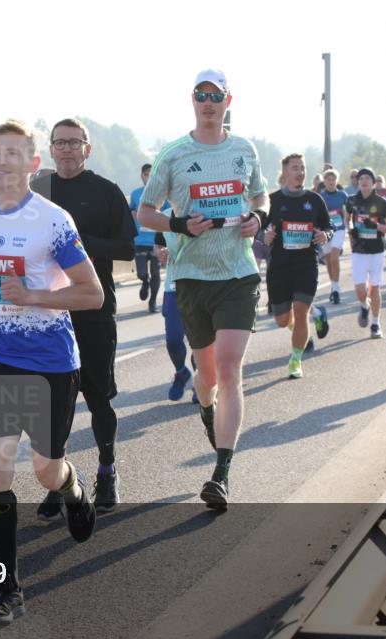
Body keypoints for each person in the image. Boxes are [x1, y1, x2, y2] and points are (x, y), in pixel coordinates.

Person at [0, 119, 102, 622]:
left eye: (14, 153)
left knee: (45, 469)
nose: (2, 161)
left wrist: (33, 295)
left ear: (33, 164)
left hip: (51, 360)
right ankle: (9, 585)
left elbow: (91, 292)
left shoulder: (53, 220)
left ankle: (72, 487)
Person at [137, 68, 267, 510]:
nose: (208, 102)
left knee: (230, 369)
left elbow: (260, 196)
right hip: (191, 277)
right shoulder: (174, 154)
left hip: (238, 272)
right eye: (201, 95)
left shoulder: (243, 149)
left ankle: (221, 473)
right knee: (206, 377)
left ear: (229, 100)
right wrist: (177, 225)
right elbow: (145, 212)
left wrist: (259, 218)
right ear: (192, 100)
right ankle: (207, 410)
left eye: (216, 95)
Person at [31, 118, 136, 513]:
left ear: (87, 149)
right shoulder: (38, 191)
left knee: (97, 398)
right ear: (52, 149)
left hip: (94, 309)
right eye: (60, 143)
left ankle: (107, 470)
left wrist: (77, 244)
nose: (67, 149)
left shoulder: (106, 191)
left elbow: (127, 247)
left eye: (74, 143)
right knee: (52, 405)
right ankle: (56, 481)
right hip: (48, 312)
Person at [262, 154, 332, 379]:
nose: (300, 172)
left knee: (300, 313)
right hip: (280, 265)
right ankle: (317, 315)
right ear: (285, 173)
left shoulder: (315, 200)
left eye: (302, 168)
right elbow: (259, 230)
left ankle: (295, 360)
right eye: (295, 168)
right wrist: (266, 236)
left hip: (306, 263)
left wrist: (325, 235)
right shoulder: (272, 201)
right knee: (283, 320)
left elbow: (329, 228)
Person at [346, 168, 386, 339]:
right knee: (360, 290)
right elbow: (347, 221)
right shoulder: (351, 201)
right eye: (361, 178)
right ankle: (364, 305)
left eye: (368, 178)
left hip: (376, 251)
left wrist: (376, 226)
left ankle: (375, 324)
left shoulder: (381, 202)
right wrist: (351, 230)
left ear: (373, 183)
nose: (364, 181)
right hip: (359, 250)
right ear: (357, 182)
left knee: (374, 288)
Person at [155, 231, 197, 401]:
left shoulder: (203, 207)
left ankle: (201, 382)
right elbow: (158, 244)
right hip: (173, 288)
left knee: (201, 340)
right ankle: (181, 372)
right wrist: (161, 252)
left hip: (203, 285)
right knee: (173, 339)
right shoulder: (164, 215)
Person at [128, 163, 163, 313]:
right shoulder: (136, 193)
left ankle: (153, 302)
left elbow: (169, 211)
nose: (149, 178)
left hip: (156, 239)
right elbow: (130, 211)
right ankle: (144, 282)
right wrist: (133, 214)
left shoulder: (162, 193)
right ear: (142, 176)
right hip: (140, 240)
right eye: (146, 174)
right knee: (142, 273)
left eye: (151, 174)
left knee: (156, 273)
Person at [318, 168, 349, 304]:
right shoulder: (321, 196)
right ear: (324, 181)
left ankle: (336, 288)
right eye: (328, 179)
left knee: (335, 256)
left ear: (337, 181)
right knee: (329, 259)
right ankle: (333, 285)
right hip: (325, 230)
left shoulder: (343, 195)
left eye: (333, 179)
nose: (331, 182)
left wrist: (348, 222)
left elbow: (349, 210)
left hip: (339, 229)